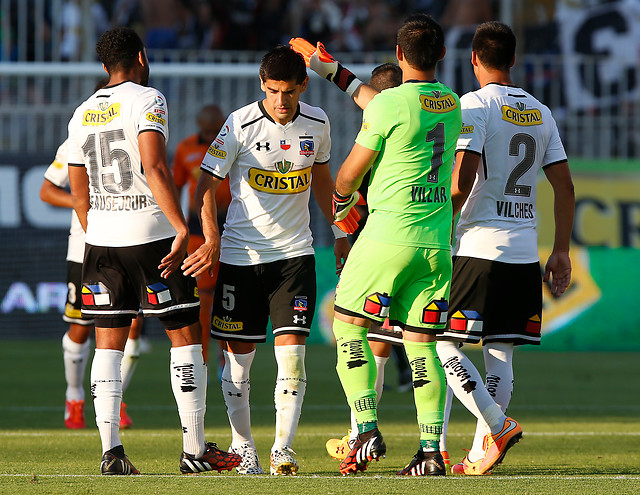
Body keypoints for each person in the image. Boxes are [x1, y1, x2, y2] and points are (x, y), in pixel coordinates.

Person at [291, 12, 462, 476]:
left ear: (399, 55)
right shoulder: (451, 102)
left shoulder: (391, 106)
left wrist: (343, 204)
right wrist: (333, 72)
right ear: (443, 55)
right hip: (436, 244)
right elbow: (384, 104)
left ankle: (364, 427)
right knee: (421, 341)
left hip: (388, 235)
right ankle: (430, 452)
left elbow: (347, 173)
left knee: (347, 325)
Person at [66, 27, 241, 475]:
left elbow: (79, 194)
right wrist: (181, 226)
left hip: (102, 241)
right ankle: (194, 452)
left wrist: (102, 229)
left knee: (108, 344)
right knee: (184, 336)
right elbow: (155, 165)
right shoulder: (148, 99)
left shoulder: (81, 112)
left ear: (105, 66)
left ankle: (112, 453)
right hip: (152, 238)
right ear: (141, 58)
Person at [184, 45, 351, 476]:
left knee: (292, 358)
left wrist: (338, 232)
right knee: (237, 363)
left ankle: (283, 449)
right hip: (241, 258)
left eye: (289, 92)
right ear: (262, 84)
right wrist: (213, 237)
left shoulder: (318, 123)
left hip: (294, 256)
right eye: (274, 91)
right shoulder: (239, 123)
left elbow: (322, 183)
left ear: (303, 87)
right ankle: (244, 448)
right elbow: (205, 184)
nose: (281, 101)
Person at [435, 21, 574, 476]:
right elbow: (564, 188)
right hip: (523, 249)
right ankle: (479, 453)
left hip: (479, 245)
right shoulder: (541, 112)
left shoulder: (472, 105)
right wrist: (561, 252)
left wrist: (442, 226)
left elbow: (463, 178)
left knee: (443, 345)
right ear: (513, 60)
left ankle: (496, 426)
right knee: (501, 353)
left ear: (473, 59)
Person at [324, 62, 417, 462]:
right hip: (428, 244)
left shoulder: (376, 133)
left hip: (376, 248)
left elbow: (345, 188)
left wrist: (342, 237)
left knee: (357, 335)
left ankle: (359, 436)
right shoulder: (428, 123)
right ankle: (434, 445)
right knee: (401, 343)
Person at [40, 77, 141, 431]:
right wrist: (83, 203)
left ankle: (116, 400)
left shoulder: (143, 133)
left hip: (129, 241)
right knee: (82, 329)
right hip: (85, 246)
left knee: (133, 328)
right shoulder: (78, 137)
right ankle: (74, 398)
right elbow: (47, 190)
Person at [172, 103, 231, 365]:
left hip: (232, 226)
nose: (210, 136)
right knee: (204, 300)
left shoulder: (233, 144)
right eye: (206, 131)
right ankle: (204, 361)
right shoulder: (185, 148)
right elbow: (175, 187)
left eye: (214, 131)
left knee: (230, 296)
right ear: (199, 125)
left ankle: (226, 359)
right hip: (199, 229)